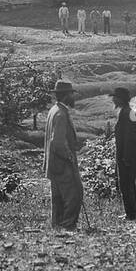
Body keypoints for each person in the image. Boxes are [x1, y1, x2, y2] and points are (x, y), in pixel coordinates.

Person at [43, 80, 82, 230]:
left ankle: (58, 226)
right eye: (71, 94)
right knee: (75, 194)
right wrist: (69, 157)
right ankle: (68, 225)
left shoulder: (54, 110)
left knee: (58, 197)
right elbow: (57, 142)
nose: (73, 96)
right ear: (66, 96)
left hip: (53, 163)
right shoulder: (61, 113)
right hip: (62, 163)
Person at [111, 87, 136, 221]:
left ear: (121, 99)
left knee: (127, 184)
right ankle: (130, 213)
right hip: (126, 154)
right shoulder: (125, 112)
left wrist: (126, 157)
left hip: (127, 155)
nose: (113, 99)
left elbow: (129, 137)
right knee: (126, 184)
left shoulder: (126, 113)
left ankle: (131, 215)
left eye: (115, 97)